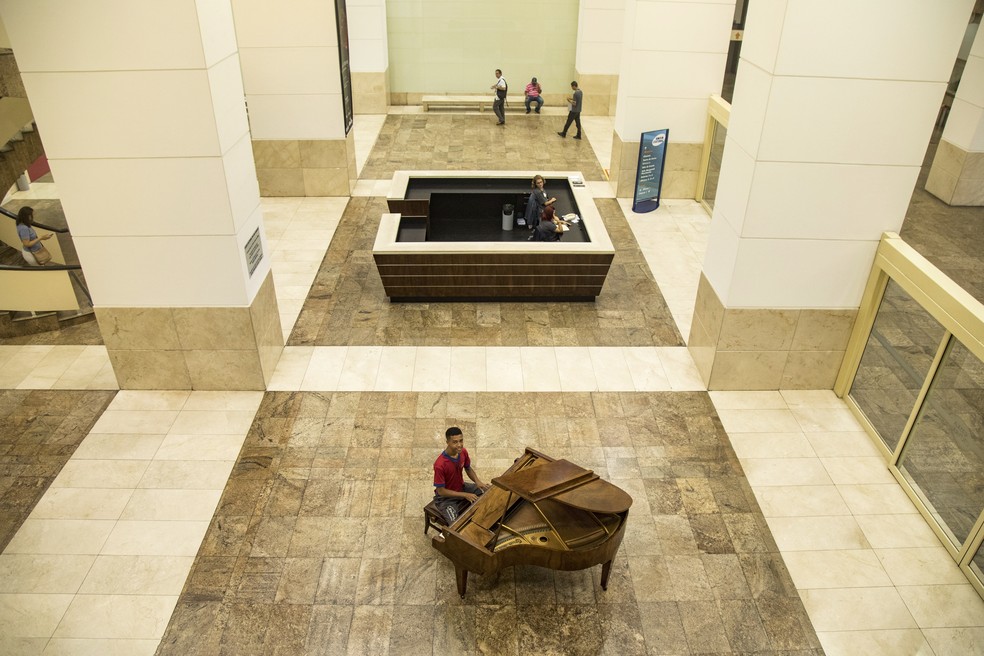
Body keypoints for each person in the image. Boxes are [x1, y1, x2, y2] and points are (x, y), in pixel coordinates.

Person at [432, 427, 491, 525]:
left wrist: (477, 481)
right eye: (455, 442)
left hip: (461, 487)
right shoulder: (440, 465)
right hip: (446, 499)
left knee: (489, 491)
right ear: (447, 442)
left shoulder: (463, 452)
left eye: (461, 441)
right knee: (456, 525)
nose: (459, 445)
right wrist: (465, 495)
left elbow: (468, 468)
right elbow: (441, 491)